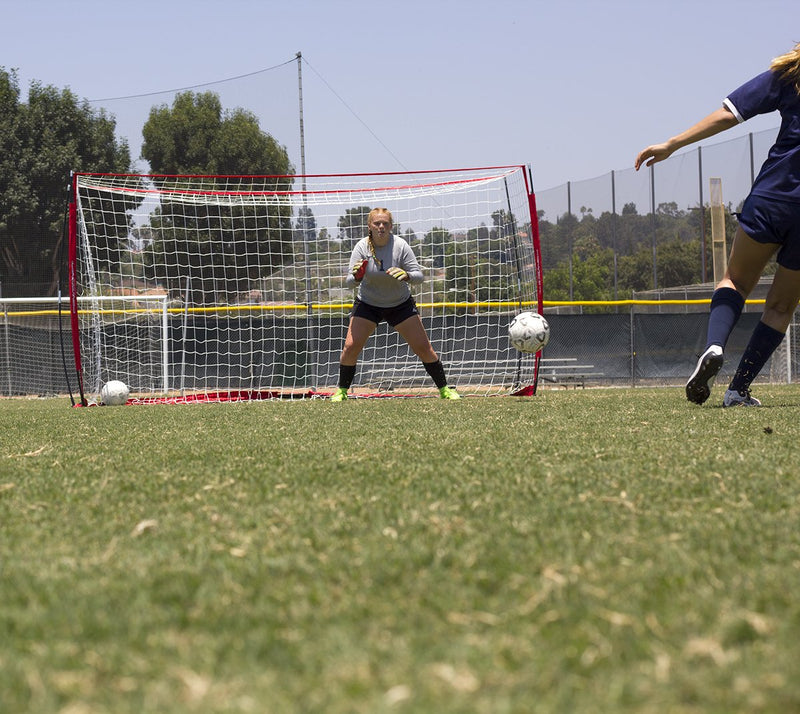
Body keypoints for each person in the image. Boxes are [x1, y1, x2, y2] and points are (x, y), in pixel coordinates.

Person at [635, 42, 800, 407]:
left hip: (773, 196)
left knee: (736, 281)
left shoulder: (792, 73)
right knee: (781, 306)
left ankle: (714, 345)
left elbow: (730, 114)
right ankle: (738, 389)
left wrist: (673, 144)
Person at [330, 207, 461, 401]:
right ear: (370, 226)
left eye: (385, 223)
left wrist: (407, 276)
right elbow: (349, 282)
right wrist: (357, 276)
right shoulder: (361, 247)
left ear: (391, 226)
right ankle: (341, 391)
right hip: (368, 303)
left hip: (400, 304)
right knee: (351, 346)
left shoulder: (400, 245)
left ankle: (445, 390)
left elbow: (419, 276)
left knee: (423, 348)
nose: (381, 227)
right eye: (377, 223)